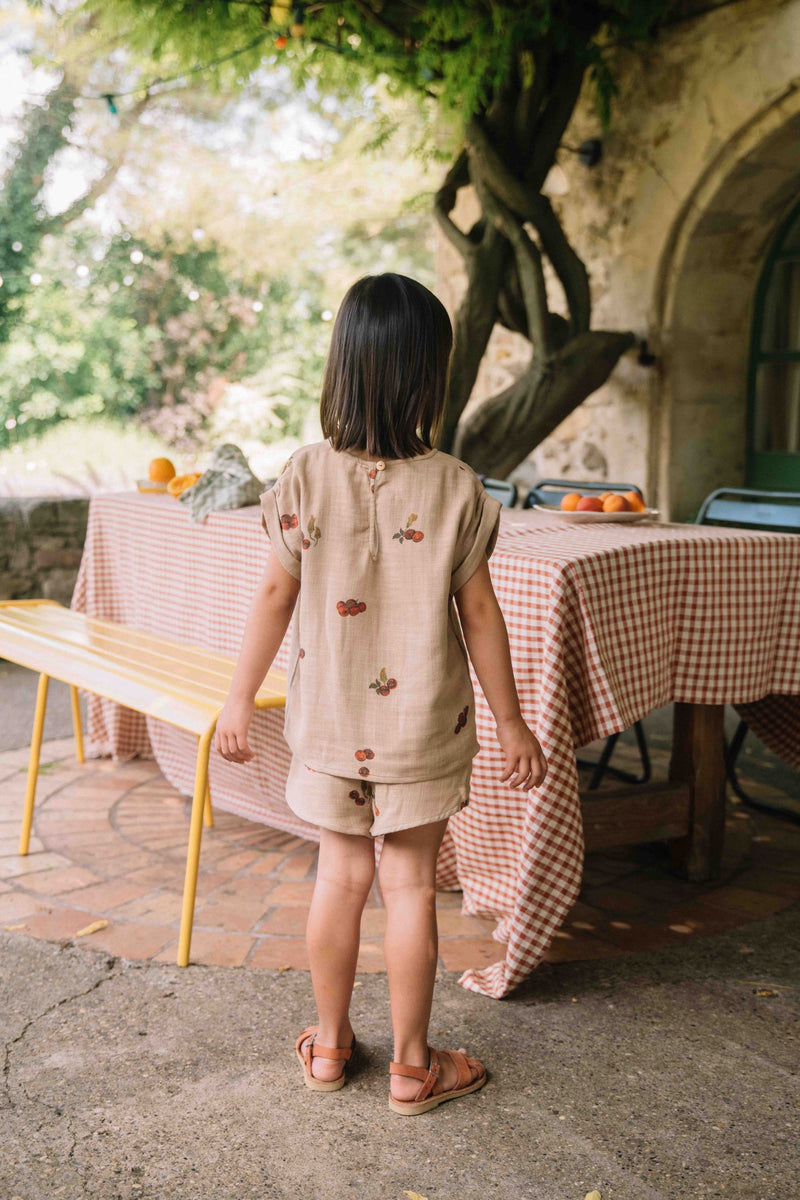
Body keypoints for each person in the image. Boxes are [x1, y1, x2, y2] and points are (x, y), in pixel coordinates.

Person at [215, 273, 547, 1115]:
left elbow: (272, 598)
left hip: (328, 726)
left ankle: (329, 1048)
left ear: (342, 369)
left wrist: (236, 699)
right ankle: (410, 1066)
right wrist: (510, 721)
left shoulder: (302, 478)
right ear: (428, 378)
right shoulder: (459, 488)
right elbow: (481, 615)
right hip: (421, 728)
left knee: (339, 878)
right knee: (408, 888)